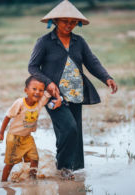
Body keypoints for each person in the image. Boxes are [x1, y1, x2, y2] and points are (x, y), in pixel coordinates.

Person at [28, 0, 117, 179]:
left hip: (76, 93)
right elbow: (33, 67)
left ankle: (65, 167)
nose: (69, 25)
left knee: (72, 130)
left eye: (72, 22)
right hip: (53, 96)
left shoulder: (79, 41)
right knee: (69, 128)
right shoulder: (44, 42)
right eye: (65, 21)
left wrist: (107, 78)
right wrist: (48, 83)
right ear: (56, 21)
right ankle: (63, 167)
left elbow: (92, 62)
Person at [0, 75, 51, 181]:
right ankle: (3, 183)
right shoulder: (19, 103)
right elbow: (7, 117)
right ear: (26, 90)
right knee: (10, 163)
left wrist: (57, 95)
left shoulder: (40, 102)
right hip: (14, 138)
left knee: (35, 159)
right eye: (34, 89)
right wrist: (1, 133)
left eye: (41, 90)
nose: (37, 92)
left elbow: (50, 90)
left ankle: (32, 180)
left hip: (27, 137)